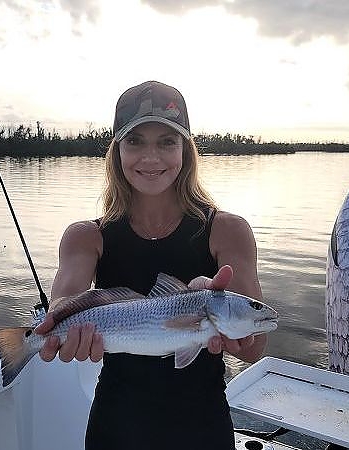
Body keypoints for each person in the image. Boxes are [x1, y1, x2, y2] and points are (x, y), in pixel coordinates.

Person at [34, 80, 267, 450]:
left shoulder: (228, 230)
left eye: (167, 142)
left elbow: (256, 346)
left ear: (186, 151)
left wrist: (225, 322)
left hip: (202, 424)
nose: (151, 158)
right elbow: (63, 302)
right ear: (116, 151)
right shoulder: (85, 236)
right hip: (116, 422)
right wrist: (61, 321)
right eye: (135, 141)